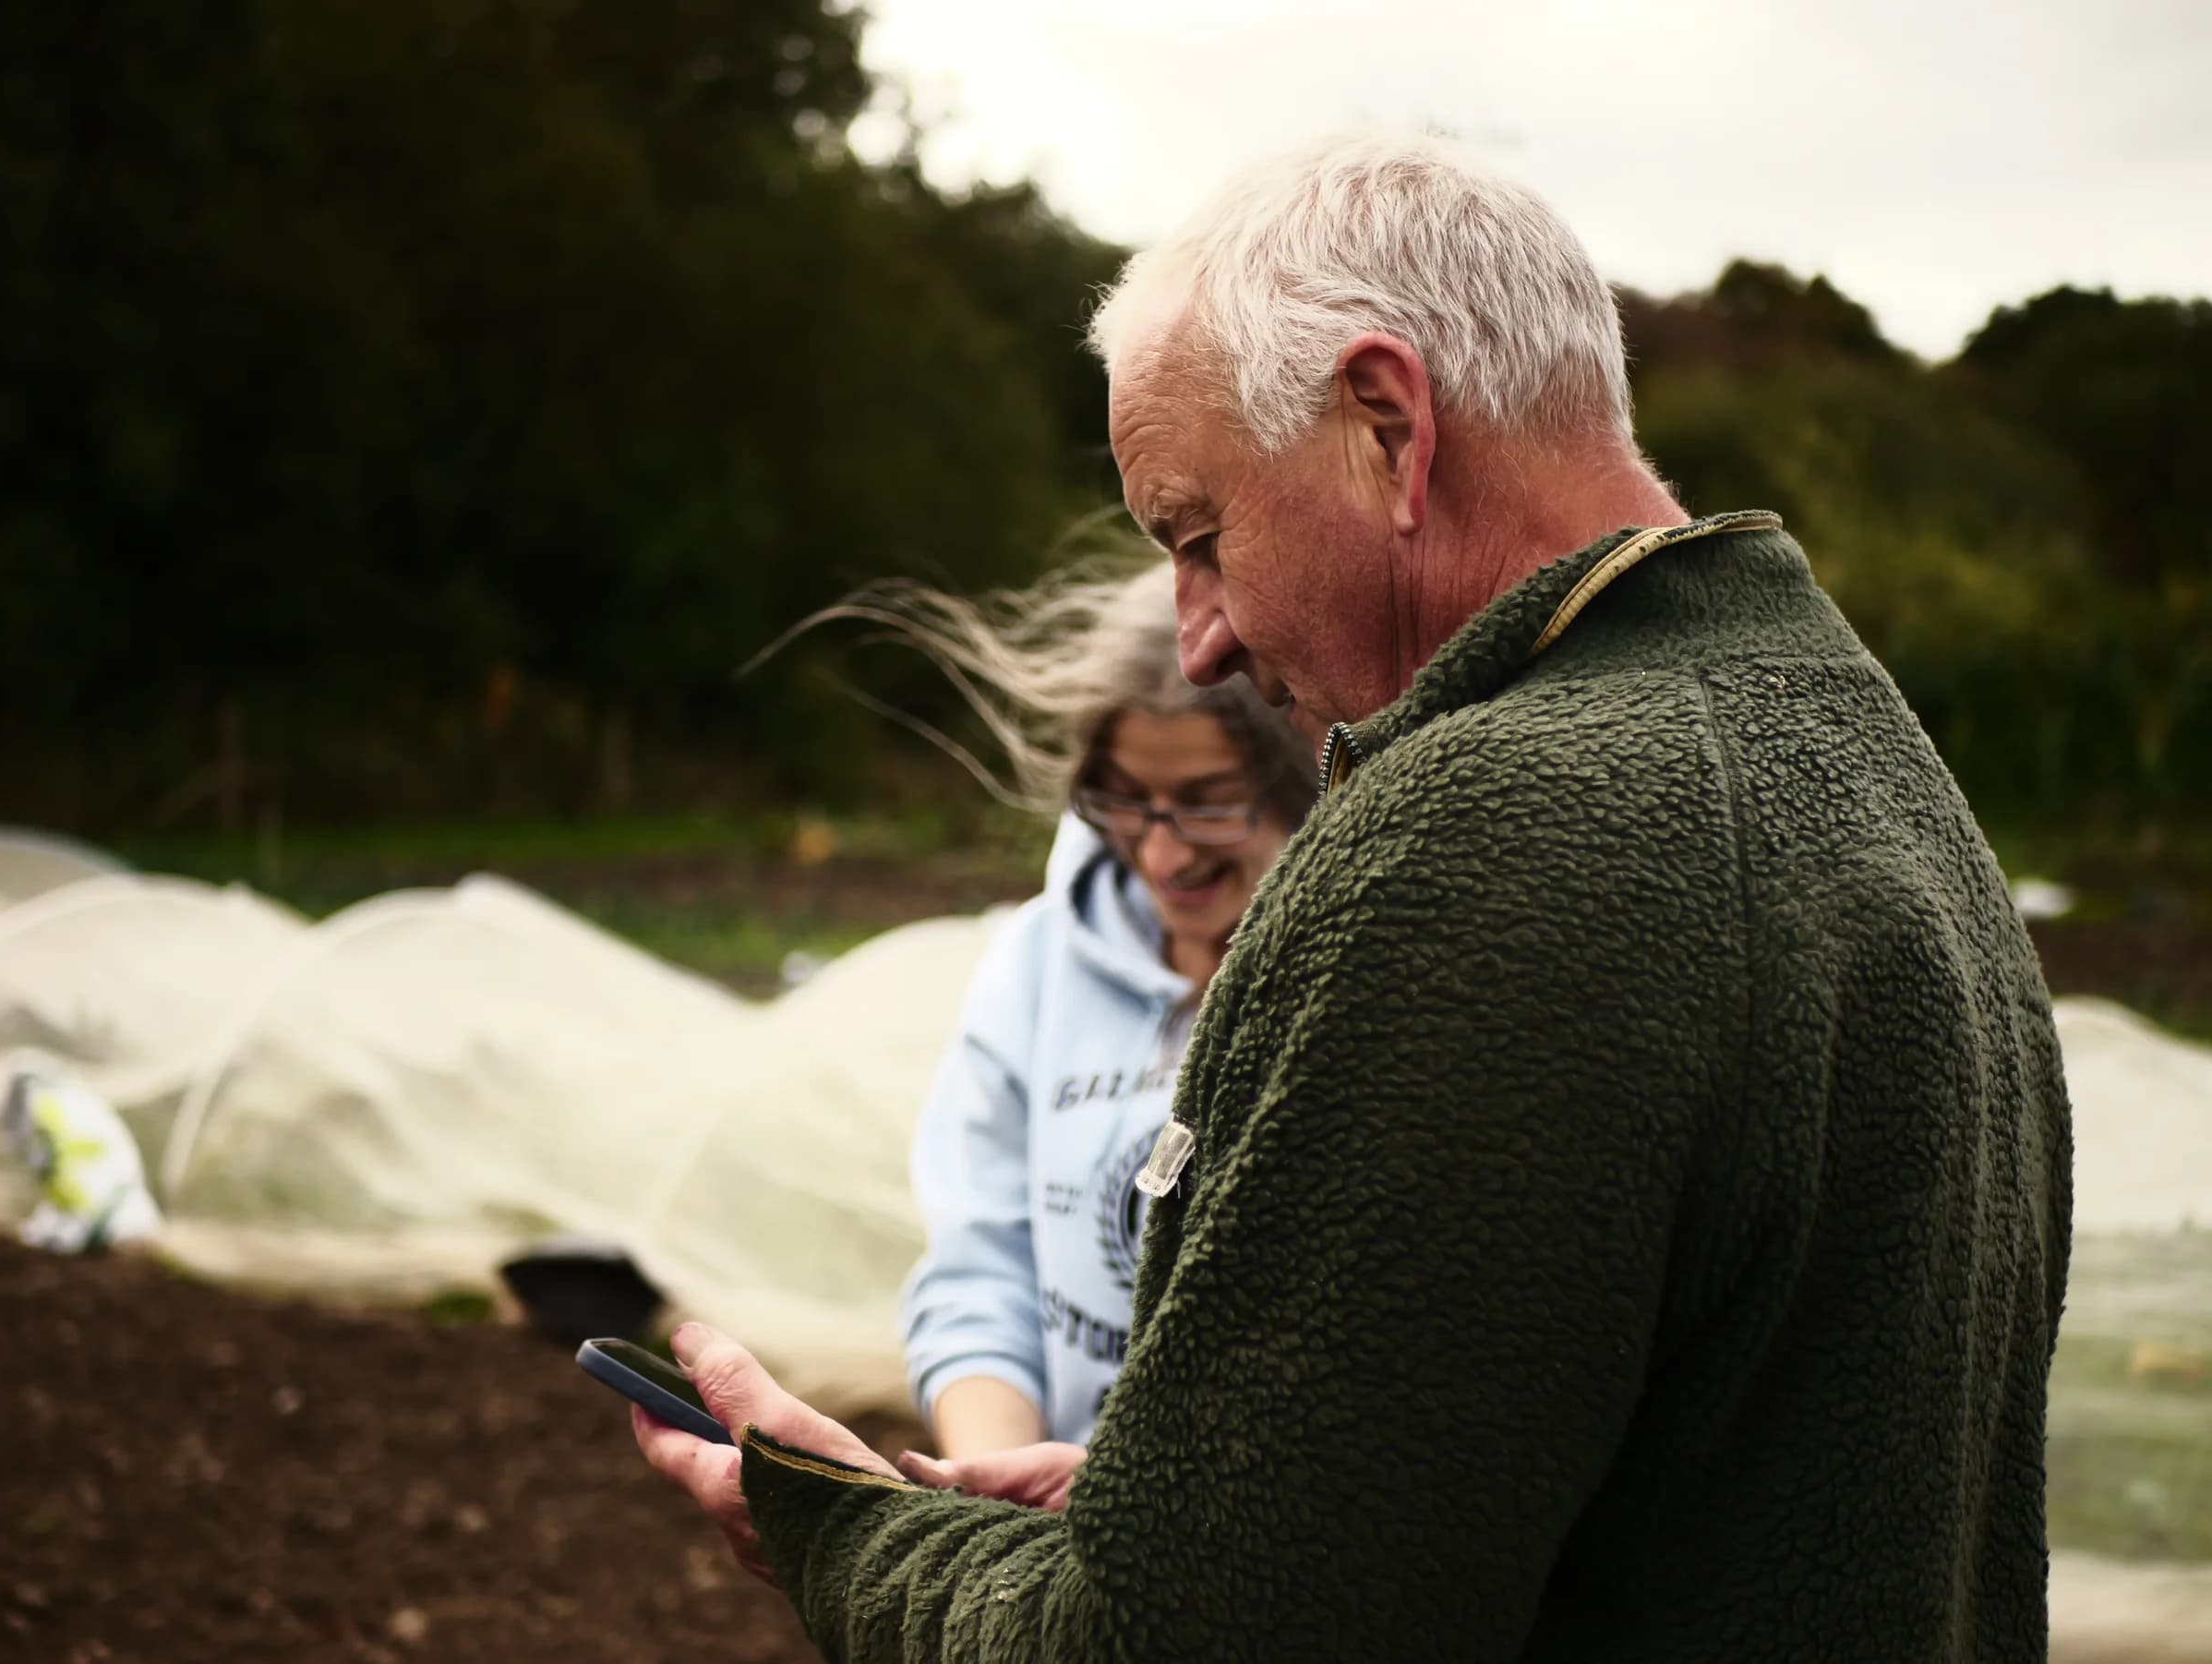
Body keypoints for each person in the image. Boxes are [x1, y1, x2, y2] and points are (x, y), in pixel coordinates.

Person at [634, 132, 2072, 1662]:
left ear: (1387, 426)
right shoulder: (1855, 742)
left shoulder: (1486, 838)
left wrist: (851, 1533)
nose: (1197, 639)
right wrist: (1199, 1510)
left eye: (1198, 538)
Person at [857, 561, 1313, 1459]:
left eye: (1209, 806)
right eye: (1128, 802)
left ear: (1300, 777)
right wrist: (1000, 1479)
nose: (1163, 852)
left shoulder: (1351, 972)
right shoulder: (1035, 967)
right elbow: (981, 1271)